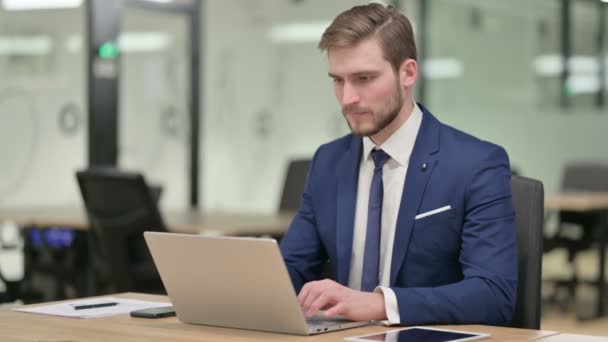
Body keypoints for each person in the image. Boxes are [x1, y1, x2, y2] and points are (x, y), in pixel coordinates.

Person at [279, 3, 517, 326]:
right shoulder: (328, 163)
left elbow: (494, 295)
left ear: (407, 73)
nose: (348, 98)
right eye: (338, 80)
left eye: (364, 78)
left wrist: (380, 304)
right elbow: (290, 269)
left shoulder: (475, 164)